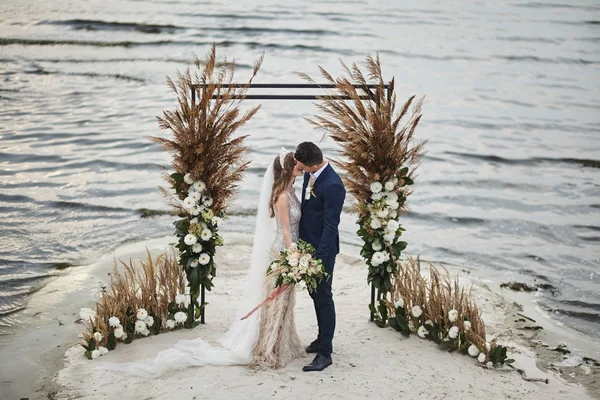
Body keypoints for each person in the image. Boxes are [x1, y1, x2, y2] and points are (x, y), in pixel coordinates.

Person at [103, 148, 306, 376]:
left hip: (291, 250)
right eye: (297, 163)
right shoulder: (281, 196)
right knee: (277, 301)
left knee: (286, 301)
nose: (301, 166)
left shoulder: (292, 191)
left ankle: (283, 342)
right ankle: (271, 347)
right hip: (283, 251)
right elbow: (287, 230)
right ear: (288, 168)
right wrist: (293, 256)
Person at [294, 141, 346, 372]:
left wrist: (319, 257)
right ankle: (321, 339)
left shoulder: (334, 185)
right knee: (315, 295)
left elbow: (330, 225)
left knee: (324, 298)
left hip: (322, 251)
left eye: (302, 167)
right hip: (306, 246)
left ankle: (325, 353)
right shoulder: (311, 174)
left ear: (314, 164)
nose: (301, 170)